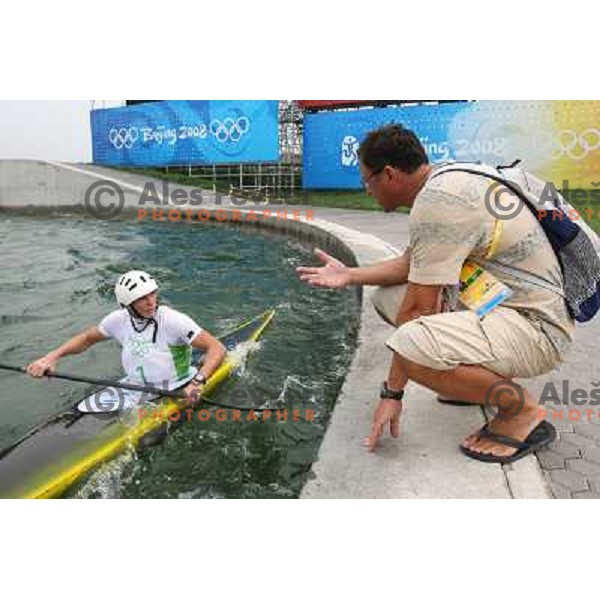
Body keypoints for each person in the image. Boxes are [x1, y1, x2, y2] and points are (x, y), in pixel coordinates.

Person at [297, 124, 574, 464]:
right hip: (514, 311)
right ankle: (477, 386)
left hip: (536, 330)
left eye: (365, 180)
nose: (367, 190)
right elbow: (411, 265)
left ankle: (523, 412)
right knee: (388, 299)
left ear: (388, 174)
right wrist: (349, 275)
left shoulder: (439, 201)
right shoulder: (446, 179)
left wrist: (392, 394)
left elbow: (416, 314)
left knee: (411, 345)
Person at [26, 270, 227, 403]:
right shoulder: (117, 320)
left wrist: (198, 382)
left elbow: (217, 348)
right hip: (133, 386)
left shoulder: (173, 320)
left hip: (177, 387)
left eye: (152, 294)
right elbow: (86, 339)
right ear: (127, 304)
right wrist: (51, 357)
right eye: (142, 298)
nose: (151, 302)